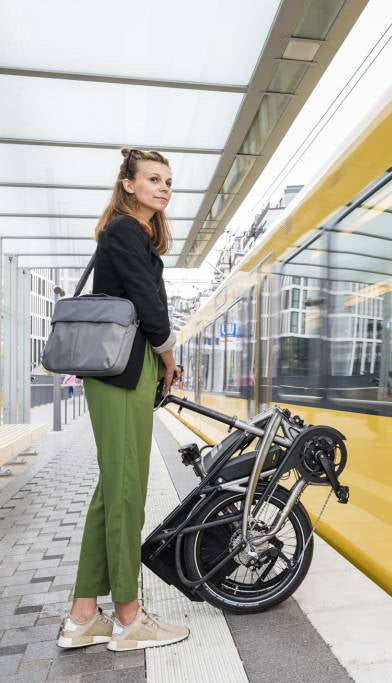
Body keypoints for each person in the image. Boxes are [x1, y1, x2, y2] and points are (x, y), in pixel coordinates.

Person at [57, 148, 187, 652]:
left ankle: (82, 616)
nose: (164, 188)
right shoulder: (124, 230)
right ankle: (129, 619)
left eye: (169, 182)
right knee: (128, 487)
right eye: (153, 179)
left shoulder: (132, 234)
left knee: (112, 490)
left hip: (123, 373)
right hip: (123, 372)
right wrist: (169, 353)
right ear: (128, 184)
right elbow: (148, 304)